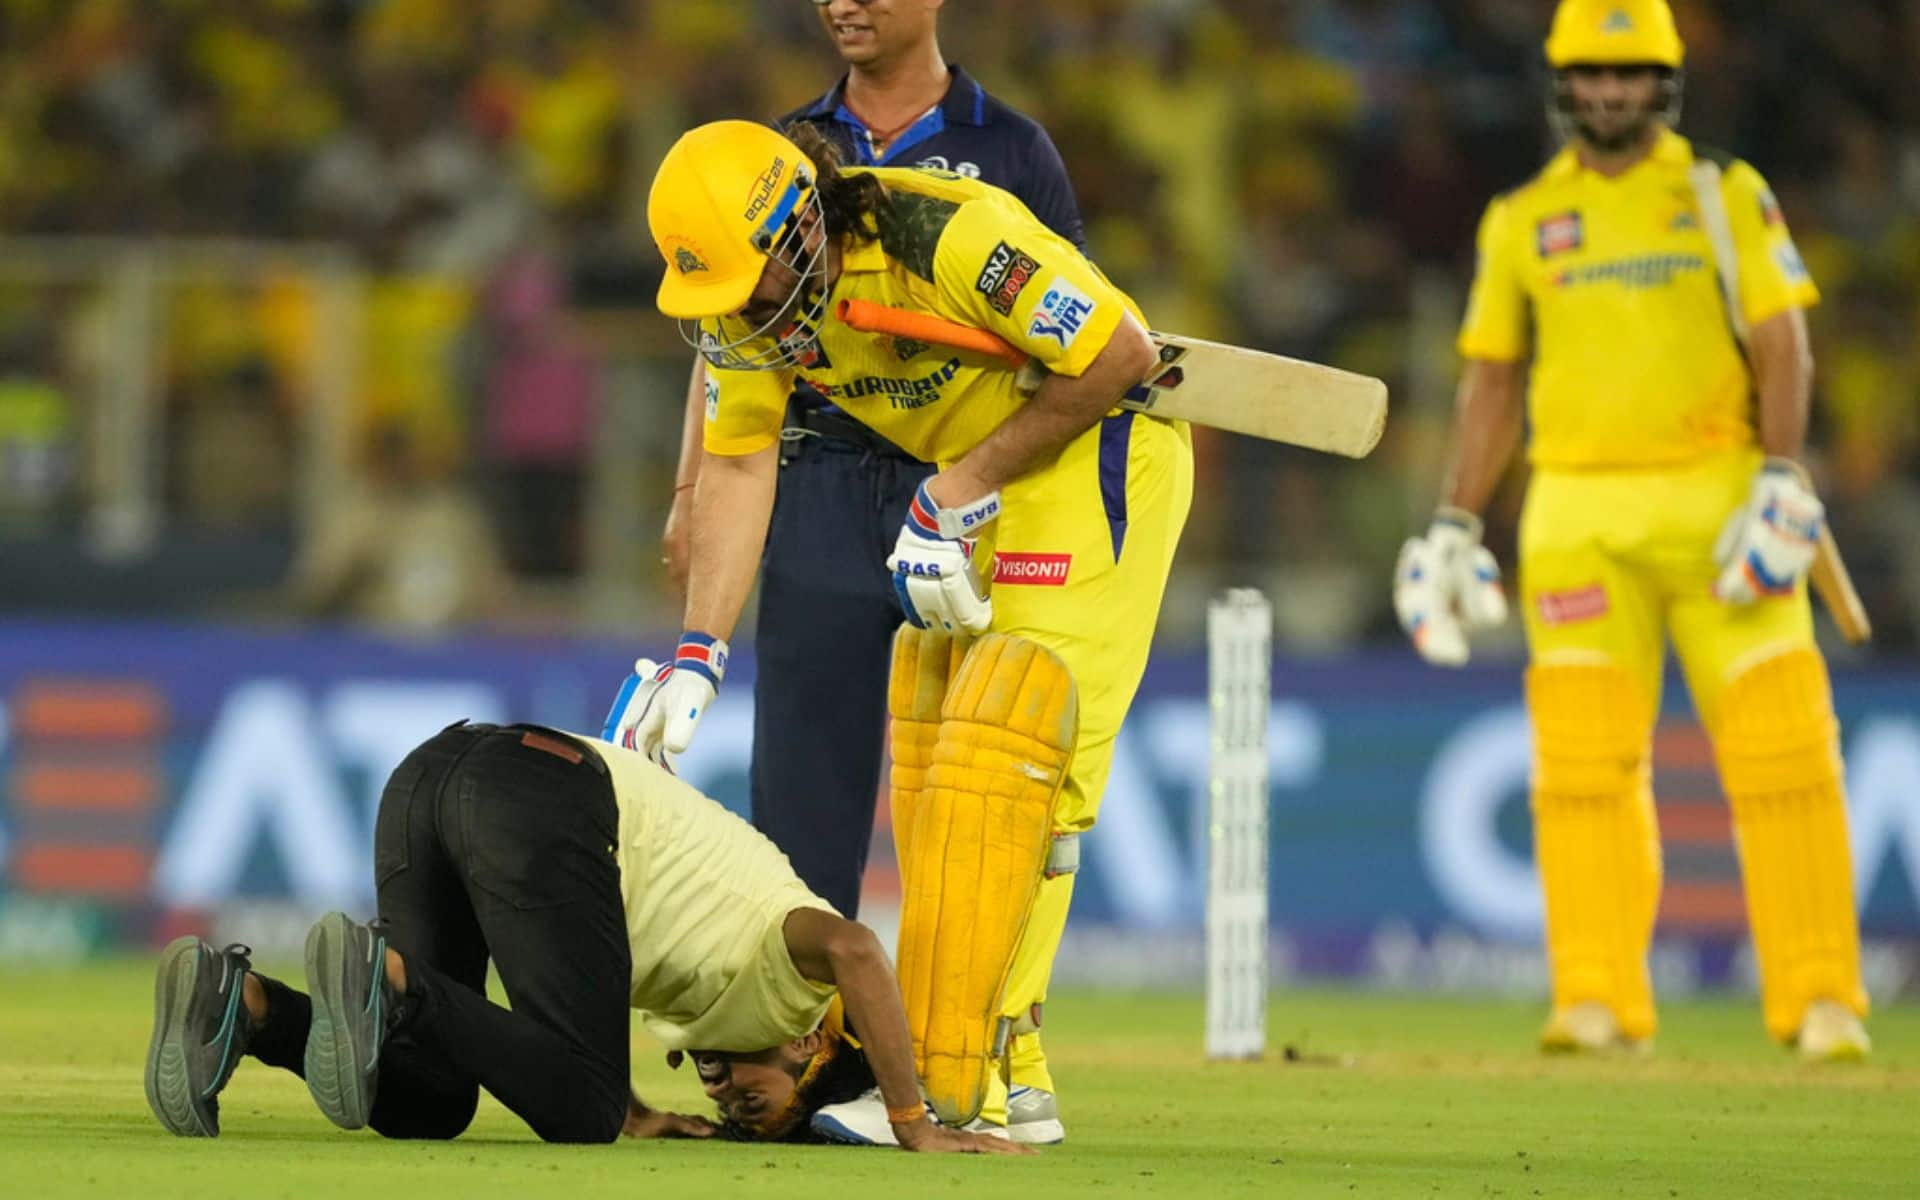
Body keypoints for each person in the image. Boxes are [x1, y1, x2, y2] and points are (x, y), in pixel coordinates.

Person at [613, 118, 1192, 1139]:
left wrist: (954, 487)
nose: (742, 318)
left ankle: (969, 1080)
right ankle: (1010, 1075)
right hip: (987, 482)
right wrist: (699, 652)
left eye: (748, 284)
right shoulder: (754, 322)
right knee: (940, 769)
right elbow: (742, 465)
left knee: (1016, 763)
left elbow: (1120, 355)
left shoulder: (947, 236)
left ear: (800, 230)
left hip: (1101, 454)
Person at [1394, 0, 1870, 1060]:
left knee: (1786, 759)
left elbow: (1782, 340)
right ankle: (1597, 999)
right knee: (1580, 771)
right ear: (1565, 84)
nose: (1614, 94)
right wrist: (1454, 524)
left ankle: (1823, 999)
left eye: (1635, 76)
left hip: (1723, 509)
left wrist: (1787, 479)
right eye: (1596, 78)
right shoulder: (1521, 219)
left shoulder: (1720, 191)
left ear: (1666, 82)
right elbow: (1489, 383)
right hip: (1576, 519)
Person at [657, 0, 1085, 929]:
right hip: (816, 476)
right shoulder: (779, 153)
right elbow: (730, 335)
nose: (842, 3)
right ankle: (815, 1051)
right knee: (803, 785)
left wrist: (988, 484)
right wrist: (692, 487)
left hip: (965, 489)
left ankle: (960, 1035)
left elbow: (1078, 339)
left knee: (974, 780)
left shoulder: (1011, 149)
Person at [142, 715, 1025, 1152]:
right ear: (810, 1042)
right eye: (755, 1097)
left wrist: (643, 1110)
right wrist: (914, 1121)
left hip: (429, 780)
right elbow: (858, 949)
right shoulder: (795, 976)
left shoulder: (710, 1002)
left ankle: (247, 1004)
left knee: (426, 1098)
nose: (724, 1097)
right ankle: (385, 975)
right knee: (583, 1113)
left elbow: (564, 1009)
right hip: (538, 794)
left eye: (731, 1110)